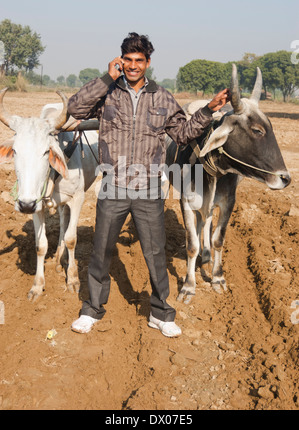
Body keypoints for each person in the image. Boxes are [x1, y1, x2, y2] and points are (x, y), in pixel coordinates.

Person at [68, 32, 230, 337]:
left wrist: (209, 109)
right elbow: (76, 109)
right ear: (120, 60)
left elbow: (182, 133)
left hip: (149, 188)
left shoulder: (163, 98)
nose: (132, 66)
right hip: (113, 185)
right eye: (126, 60)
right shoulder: (108, 94)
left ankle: (160, 313)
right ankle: (91, 310)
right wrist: (106, 77)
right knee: (101, 250)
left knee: (155, 252)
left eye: (138, 60)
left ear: (148, 63)